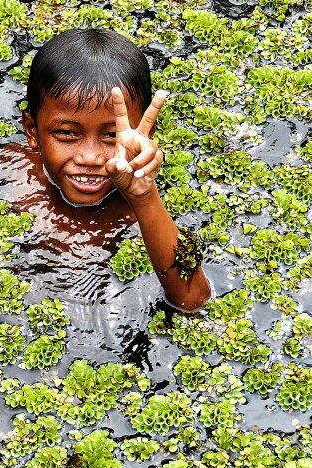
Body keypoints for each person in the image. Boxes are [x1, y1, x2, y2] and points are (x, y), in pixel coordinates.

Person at [15, 26, 211, 313]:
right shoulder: (14, 170)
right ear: (32, 131)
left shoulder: (136, 209)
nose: (91, 157)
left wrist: (144, 197)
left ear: (145, 135)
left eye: (112, 136)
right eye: (68, 134)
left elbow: (192, 299)